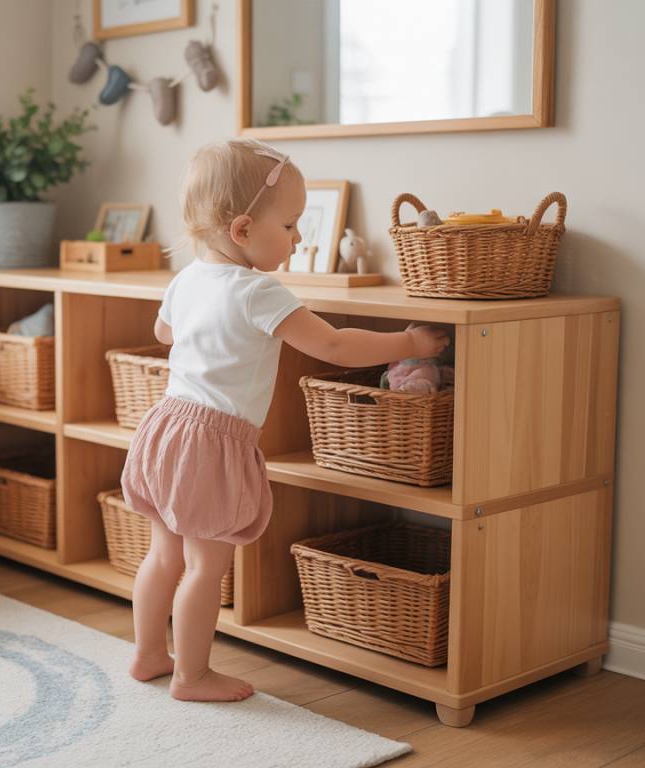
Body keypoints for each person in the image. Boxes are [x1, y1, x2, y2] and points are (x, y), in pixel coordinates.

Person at [121, 139, 450, 702]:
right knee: (205, 567)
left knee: (163, 554)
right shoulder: (258, 291)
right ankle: (192, 676)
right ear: (244, 230)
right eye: (292, 226)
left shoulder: (188, 279)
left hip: (164, 427)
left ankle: (151, 653)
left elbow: (164, 336)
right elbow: (337, 346)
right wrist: (410, 340)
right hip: (209, 441)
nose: (299, 238)